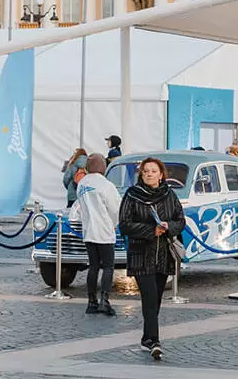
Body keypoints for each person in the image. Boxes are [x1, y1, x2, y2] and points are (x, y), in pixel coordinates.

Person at [118, 157, 185, 362]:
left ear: (161, 174)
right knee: (148, 296)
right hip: (141, 255)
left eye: (153, 171)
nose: (149, 174)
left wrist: (168, 226)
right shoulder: (132, 195)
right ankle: (155, 342)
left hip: (163, 255)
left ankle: (146, 337)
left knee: (155, 299)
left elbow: (180, 220)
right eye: (146, 171)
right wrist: (150, 230)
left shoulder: (169, 194)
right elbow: (125, 224)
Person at [71, 153, 122, 316]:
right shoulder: (106, 185)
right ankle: (104, 301)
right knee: (108, 266)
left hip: (88, 230)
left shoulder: (82, 184)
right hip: (104, 229)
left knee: (93, 266)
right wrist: (115, 224)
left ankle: (91, 301)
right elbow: (115, 208)